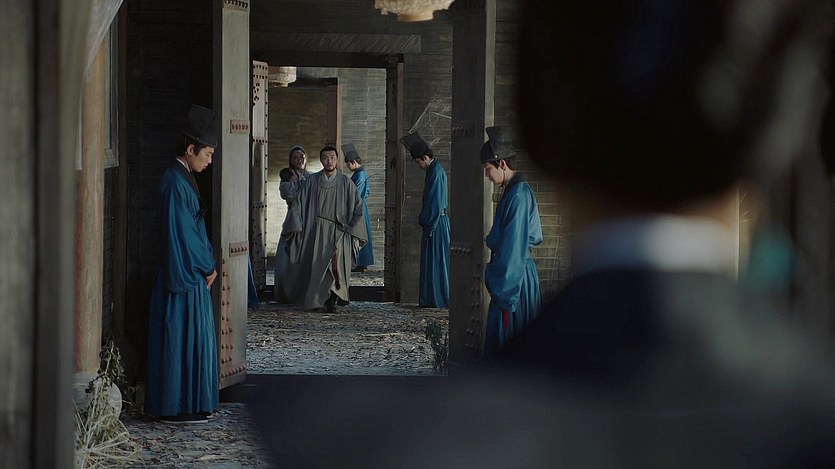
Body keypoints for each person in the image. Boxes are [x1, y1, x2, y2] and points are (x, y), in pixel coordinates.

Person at [146, 105, 219, 424]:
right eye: (208, 154)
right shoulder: (174, 182)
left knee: (190, 340)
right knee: (179, 339)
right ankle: (177, 406)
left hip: (190, 273)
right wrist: (207, 265)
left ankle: (191, 403)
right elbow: (185, 234)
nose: (210, 160)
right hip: (183, 274)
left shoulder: (182, 178)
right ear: (191, 149)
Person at [480, 126, 543, 357]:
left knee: (508, 343)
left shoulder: (518, 195)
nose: (487, 175)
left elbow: (514, 246)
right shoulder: (513, 191)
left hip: (514, 279)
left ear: (502, 164)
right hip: (514, 272)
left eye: (488, 169)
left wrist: (504, 290)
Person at [284, 145, 367, 312]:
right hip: (316, 230)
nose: (329, 161)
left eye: (332, 158)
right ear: (321, 160)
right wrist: (296, 225)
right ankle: (316, 300)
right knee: (317, 267)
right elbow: (298, 204)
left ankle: (332, 299)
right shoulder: (312, 181)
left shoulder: (345, 182)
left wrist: (352, 228)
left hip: (339, 231)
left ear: (337, 160)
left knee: (336, 267)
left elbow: (358, 207)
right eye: (325, 158)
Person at [400, 132, 450, 308]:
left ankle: (438, 299)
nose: (418, 165)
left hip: (436, 224)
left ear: (425, 158)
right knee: (432, 263)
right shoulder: (434, 171)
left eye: (418, 161)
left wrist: (426, 222)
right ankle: (431, 298)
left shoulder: (436, 172)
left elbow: (434, 203)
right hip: (435, 222)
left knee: (437, 263)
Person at [274, 146, 312, 304]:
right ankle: (286, 294)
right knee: (288, 259)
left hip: (309, 219)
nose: (299, 160)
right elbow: (287, 194)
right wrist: (300, 185)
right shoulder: (287, 176)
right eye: (295, 157)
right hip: (293, 220)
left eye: (301, 156)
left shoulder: (311, 176)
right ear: (291, 160)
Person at [343, 143, 374, 272]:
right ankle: (359, 262)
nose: (348, 167)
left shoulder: (360, 174)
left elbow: (356, 193)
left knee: (358, 234)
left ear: (353, 162)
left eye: (348, 164)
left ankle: (360, 262)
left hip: (358, 207)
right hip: (359, 206)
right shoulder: (360, 173)